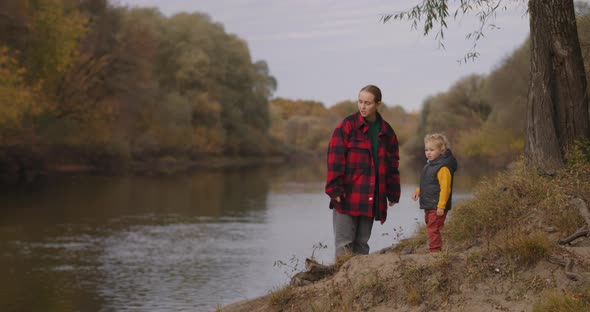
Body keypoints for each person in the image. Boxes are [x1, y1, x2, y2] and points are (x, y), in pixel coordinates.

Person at [325, 85, 401, 258]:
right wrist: (334, 188)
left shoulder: (387, 132)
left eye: (367, 102)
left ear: (378, 104)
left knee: (361, 244)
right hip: (346, 194)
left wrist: (393, 193)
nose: (362, 106)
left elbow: (392, 164)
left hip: (370, 196)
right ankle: (341, 283)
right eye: (360, 101)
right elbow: (334, 158)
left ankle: (358, 282)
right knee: (344, 244)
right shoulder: (347, 126)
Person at [412, 133, 458, 253]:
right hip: (429, 204)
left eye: (432, 150)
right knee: (431, 226)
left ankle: (435, 251)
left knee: (433, 228)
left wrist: (441, 206)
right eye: (426, 150)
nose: (428, 152)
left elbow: (445, 189)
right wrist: (418, 191)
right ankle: (436, 249)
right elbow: (428, 183)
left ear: (441, 150)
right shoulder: (429, 165)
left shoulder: (443, 168)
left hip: (437, 205)